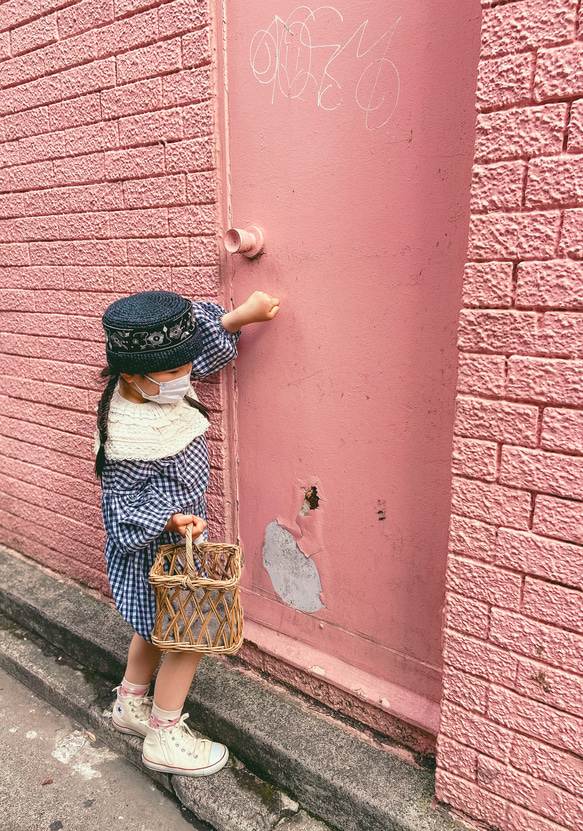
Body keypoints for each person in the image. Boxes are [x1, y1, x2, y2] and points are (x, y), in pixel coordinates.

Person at [95, 288, 279, 776]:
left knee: (153, 630)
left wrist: (241, 317)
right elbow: (119, 507)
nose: (186, 377)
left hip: (176, 537)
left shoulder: (157, 378)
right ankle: (164, 734)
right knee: (185, 634)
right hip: (153, 548)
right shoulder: (127, 431)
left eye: (185, 368)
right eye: (175, 373)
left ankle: (129, 704)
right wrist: (169, 517)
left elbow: (200, 346)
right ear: (131, 376)